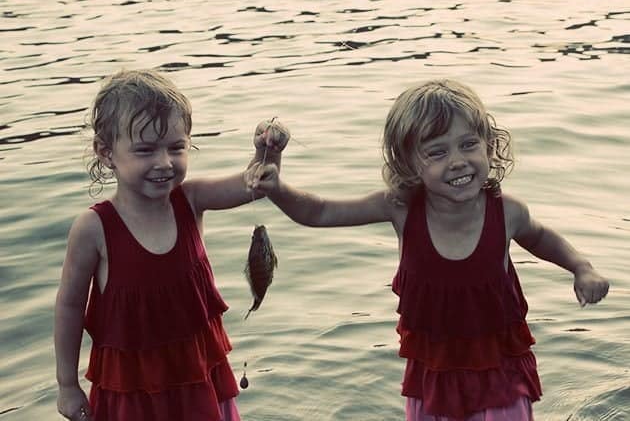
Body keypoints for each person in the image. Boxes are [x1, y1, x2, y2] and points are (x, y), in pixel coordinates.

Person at [246, 79, 609, 420]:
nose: (457, 161)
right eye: (437, 152)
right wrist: (278, 188)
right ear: (409, 164)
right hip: (432, 373)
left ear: (489, 145)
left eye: (469, 144)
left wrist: (581, 267)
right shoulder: (401, 208)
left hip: (499, 370)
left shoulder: (508, 211)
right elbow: (320, 212)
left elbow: (542, 238)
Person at [54, 69, 289, 421]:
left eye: (176, 148)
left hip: (198, 375)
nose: (164, 163)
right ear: (105, 153)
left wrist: (267, 153)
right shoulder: (94, 228)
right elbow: (70, 306)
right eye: (145, 150)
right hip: (132, 389)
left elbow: (253, 185)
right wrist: (67, 385)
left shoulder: (190, 200)